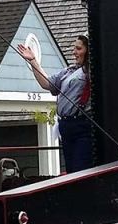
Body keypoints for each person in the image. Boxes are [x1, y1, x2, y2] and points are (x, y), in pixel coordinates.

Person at [18, 34, 94, 173]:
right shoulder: (68, 71)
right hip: (66, 125)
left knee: (81, 169)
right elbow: (47, 83)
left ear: (88, 51)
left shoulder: (90, 72)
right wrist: (33, 61)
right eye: (74, 48)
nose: (74, 52)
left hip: (82, 125)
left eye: (78, 48)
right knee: (71, 170)